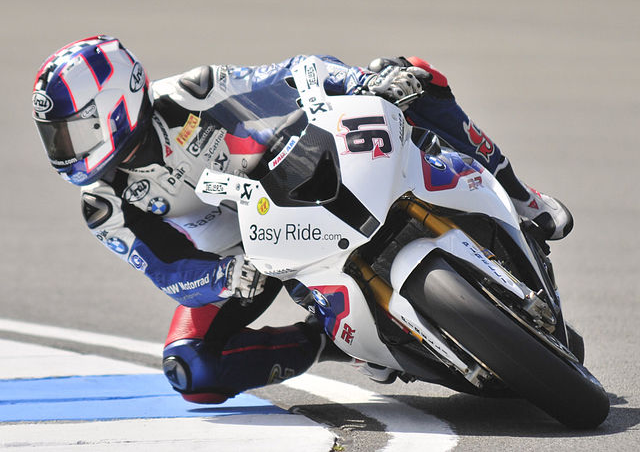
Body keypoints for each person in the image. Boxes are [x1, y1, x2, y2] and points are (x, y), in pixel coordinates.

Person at [32, 35, 572, 402]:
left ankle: (524, 200)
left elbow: (295, 72)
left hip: (290, 179)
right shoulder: (104, 205)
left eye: (70, 131)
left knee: (411, 74)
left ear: (115, 101)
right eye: (57, 136)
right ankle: (326, 339)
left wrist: (363, 83)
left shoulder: (190, 93)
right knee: (189, 370)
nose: (65, 148)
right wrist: (222, 277)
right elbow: (166, 270)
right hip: (244, 260)